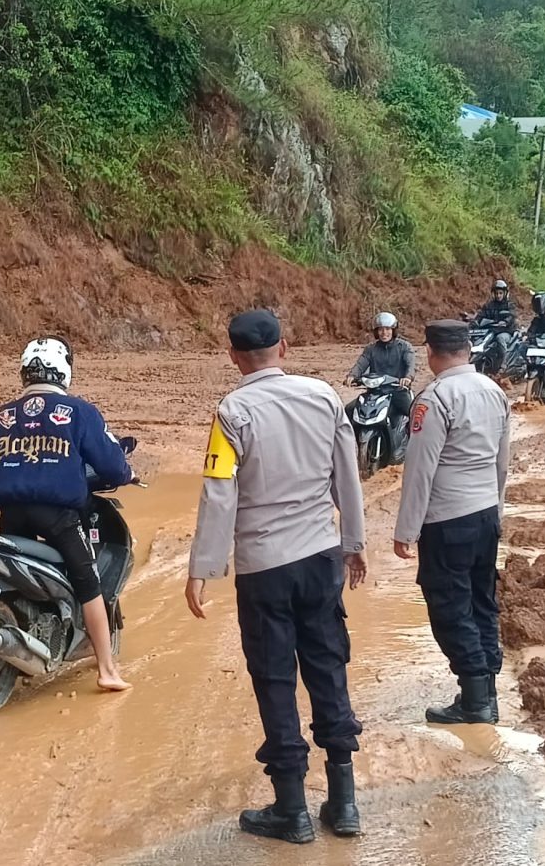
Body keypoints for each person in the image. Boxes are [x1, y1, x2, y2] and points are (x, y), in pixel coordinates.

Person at [188, 309, 369, 843]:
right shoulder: (323, 397)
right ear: (284, 348)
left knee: (274, 680)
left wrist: (203, 568)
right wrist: (354, 544)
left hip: (264, 568)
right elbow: (348, 474)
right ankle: (344, 804)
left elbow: (219, 491)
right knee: (328, 668)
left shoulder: (232, 411)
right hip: (320, 556)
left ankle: (291, 810)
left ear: (233, 357)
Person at [0, 337, 134, 693]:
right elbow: (111, 463)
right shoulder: (78, 412)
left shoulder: (3, 416)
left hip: (10, 516)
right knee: (88, 581)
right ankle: (107, 669)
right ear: (64, 370)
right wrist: (125, 474)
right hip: (58, 516)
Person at [393, 319, 513, 724]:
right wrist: (496, 512)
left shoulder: (435, 398)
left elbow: (419, 471)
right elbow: (502, 463)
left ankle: (475, 701)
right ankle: (487, 692)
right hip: (484, 515)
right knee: (482, 601)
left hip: (447, 520)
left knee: (450, 606)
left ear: (430, 352)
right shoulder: (493, 391)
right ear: (468, 348)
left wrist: (405, 532)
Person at [349, 311, 416, 462]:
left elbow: (410, 365)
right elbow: (361, 363)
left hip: (397, 391)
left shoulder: (404, 347)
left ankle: (416, 448)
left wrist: (407, 378)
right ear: (376, 332)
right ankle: (348, 447)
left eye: (387, 329)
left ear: (394, 330)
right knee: (348, 410)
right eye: (380, 329)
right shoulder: (371, 349)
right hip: (374, 392)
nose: (384, 332)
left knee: (414, 415)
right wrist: (352, 375)